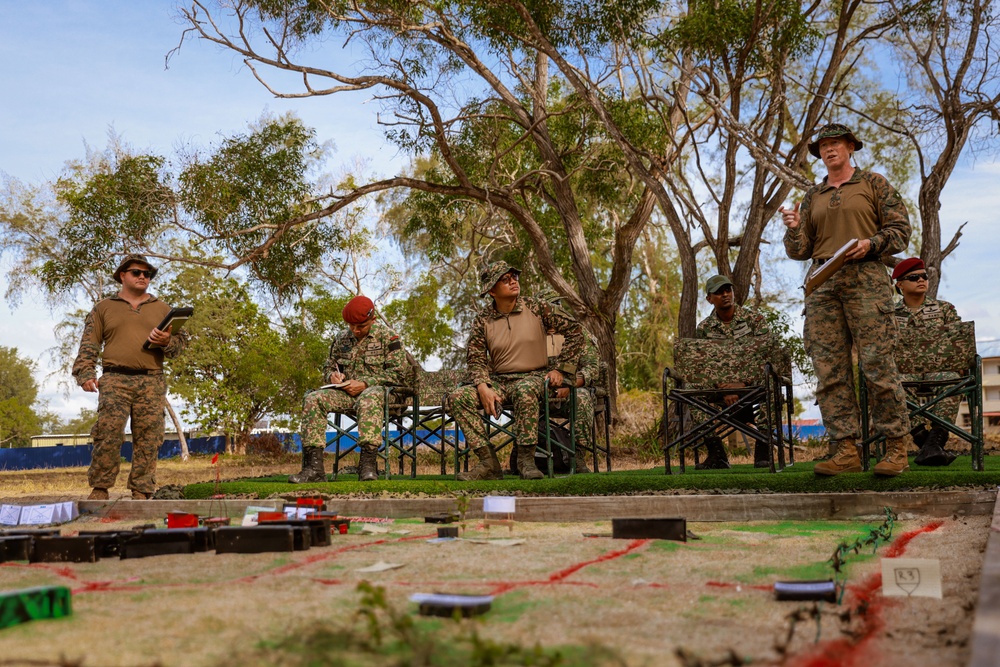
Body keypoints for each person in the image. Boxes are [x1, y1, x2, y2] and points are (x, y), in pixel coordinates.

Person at [781, 123, 914, 477]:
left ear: (850, 147)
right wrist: (793, 227)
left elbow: (901, 230)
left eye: (835, 143)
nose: (829, 149)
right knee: (829, 371)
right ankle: (845, 450)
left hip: (866, 277)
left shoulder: (872, 183)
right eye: (823, 146)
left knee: (877, 365)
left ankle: (897, 447)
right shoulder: (813, 195)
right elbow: (800, 250)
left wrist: (871, 244)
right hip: (823, 282)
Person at [449, 261, 583, 480]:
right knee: (457, 398)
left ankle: (526, 462)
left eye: (514, 276)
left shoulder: (538, 307)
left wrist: (562, 370)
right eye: (505, 279)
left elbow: (576, 331)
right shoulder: (482, 320)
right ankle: (488, 463)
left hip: (534, 377)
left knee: (524, 390)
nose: (513, 281)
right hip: (499, 381)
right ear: (492, 291)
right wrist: (483, 387)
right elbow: (475, 358)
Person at [72, 254, 186, 500]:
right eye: (137, 272)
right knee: (108, 433)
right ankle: (100, 489)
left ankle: (142, 491)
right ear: (122, 275)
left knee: (149, 437)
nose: (143, 277)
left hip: (151, 381)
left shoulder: (163, 309)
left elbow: (179, 347)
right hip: (114, 380)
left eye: (148, 274)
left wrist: (168, 341)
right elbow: (89, 344)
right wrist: (85, 372)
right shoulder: (104, 308)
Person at [291, 295, 408, 483]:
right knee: (314, 398)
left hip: (384, 395)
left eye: (360, 326)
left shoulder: (389, 338)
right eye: (351, 325)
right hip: (348, 395)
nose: (355, 330)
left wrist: (366, 384)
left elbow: (399, 375)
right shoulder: (342, 339)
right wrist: (332, 376)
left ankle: (368, 466)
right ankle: (314, 469)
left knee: (370, 396)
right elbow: (329, 366)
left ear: (373, 319)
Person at [694, 274, 772, 468]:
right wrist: (724, 388)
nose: (725, 295)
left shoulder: (754, 320)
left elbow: (766, 356)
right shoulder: (704, 328)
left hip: (753, 386)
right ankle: (717, 454)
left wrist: (742, 384)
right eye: (719, 293)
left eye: (728, 290)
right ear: (709, 299)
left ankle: (763, 449)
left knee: (772, 381)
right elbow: (704, 364)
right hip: (720, 388)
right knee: (691, 389)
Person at [521, 289, 602, 474]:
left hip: (570, 393)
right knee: (521, 395)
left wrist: (570, 384)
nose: (554, 312)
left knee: (581, 398)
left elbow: (591, 368)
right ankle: (524, 459)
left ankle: (577, 457)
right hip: (538, 395)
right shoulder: (528, 337)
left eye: (556, 307)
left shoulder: (579, 333)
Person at [892, 257, 961, 466]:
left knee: (953, 380)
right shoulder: (890, 315)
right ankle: (927, 443)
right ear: (899, 285)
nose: (921, 280)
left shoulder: (945, 310)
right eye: (914, 277)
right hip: (904, 373)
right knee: (891, 385)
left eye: (924, 276)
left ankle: (935, 440)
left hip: (939, 371)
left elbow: (959, 342)